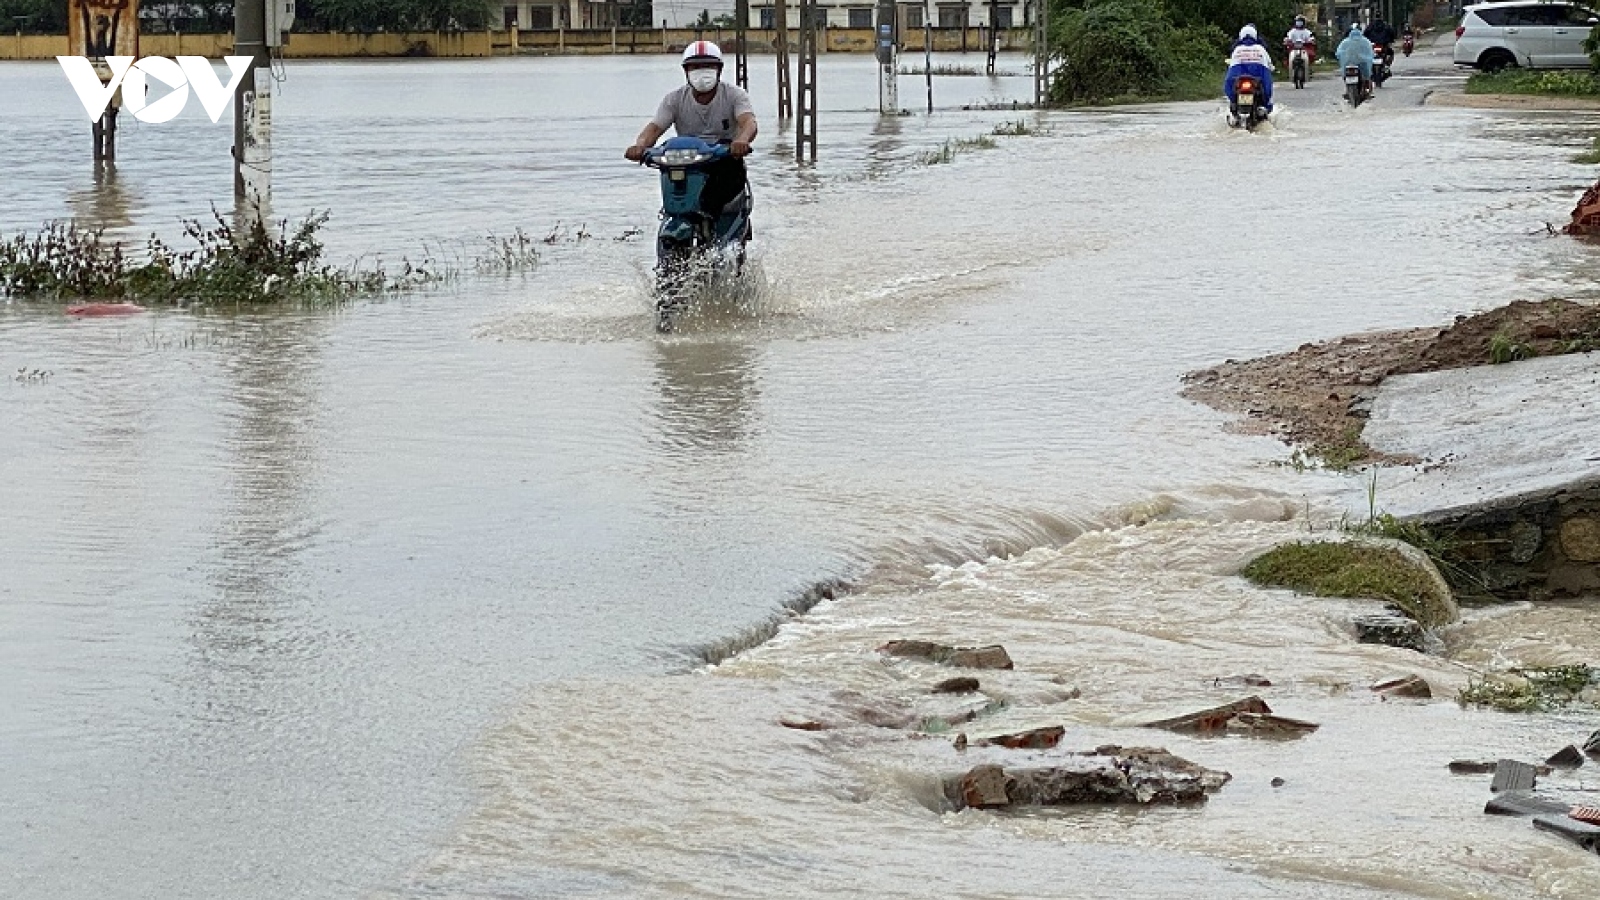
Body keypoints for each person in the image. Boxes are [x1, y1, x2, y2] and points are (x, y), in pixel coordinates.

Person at [624, 41, 758, 216]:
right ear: (686, 71)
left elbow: (748, 122)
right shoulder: (674, 99)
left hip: (723, 158)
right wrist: (640, 146)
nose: (702, 72)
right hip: (687, 163)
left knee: (726, 180)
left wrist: (741, 140)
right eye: (695, 67)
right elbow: (654, 128)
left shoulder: (734, 95)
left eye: (708, 66)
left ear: (719, 69)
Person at [1225, 24, 1275, 114]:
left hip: (1239, 78)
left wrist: (1232, 99)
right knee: (1267, 86)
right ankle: (1264, 106)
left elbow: (1231, 67)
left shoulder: (1237, 49)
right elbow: (1269, 65)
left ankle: (1234, 104)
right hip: (1257, 78)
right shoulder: (1261, 49)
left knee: (1231, 85)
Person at [1337, 23, 1375, 93]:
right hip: (1360, 62)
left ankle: (1349, 90)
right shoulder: (1365, 41)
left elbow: (1339, 52)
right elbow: (1370, 52)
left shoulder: (1345, 42)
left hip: (1348, 62)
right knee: (1366, 76)